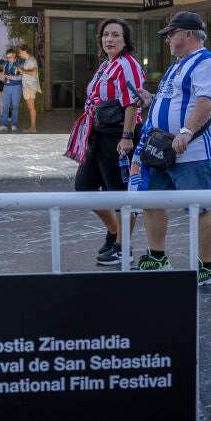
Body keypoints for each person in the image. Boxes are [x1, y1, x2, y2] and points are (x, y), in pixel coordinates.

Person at [130, 11, 211, 285]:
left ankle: (207, 268)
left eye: (171, 34)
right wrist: (151, 100)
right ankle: (157, 257)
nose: (168, 40)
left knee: (200, 207)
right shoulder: (179, 65)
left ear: (187, 34)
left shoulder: (206, 62)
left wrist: (186, 131)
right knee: (152, 200)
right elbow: (176, 99)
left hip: (192, 152)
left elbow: (207, 101)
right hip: (163, 150)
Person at [64, 19, 146, 266]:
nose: (109, 39)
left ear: (125, 40)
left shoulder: (128, 64)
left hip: (119, 136)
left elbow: (132, 102)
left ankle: (123, 247)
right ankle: (114, 232)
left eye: (116, 35)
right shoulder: (107, 65)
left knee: (121, 194)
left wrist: (127, 136)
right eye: (106, 35)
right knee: (84, 187)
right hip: (98, 134)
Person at [17, 44, 40, 132]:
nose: (19, 53)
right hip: (28, 86)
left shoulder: (31, 60)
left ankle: (33, 127)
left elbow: (34, 72)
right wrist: (21, 70)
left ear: (24, 51)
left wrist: (22, 70)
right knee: (30, 107)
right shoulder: (28, 60)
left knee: (31, 107)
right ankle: (32, 127)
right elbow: (28, 72)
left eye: (20, 52)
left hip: (30, 86)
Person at [0, 49, 22, 131]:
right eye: (7, 57)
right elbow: (4, 74)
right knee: (5, 106)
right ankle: (3, 125)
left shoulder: (20, 63)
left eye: (10, 57)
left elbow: (22, 76)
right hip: (6, 86)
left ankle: (14, 124)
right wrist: (3, 75)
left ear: (14, 55)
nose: (8, 59)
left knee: (15, 106)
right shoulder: (6, 63)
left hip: (16, 86)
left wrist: (12, 77)